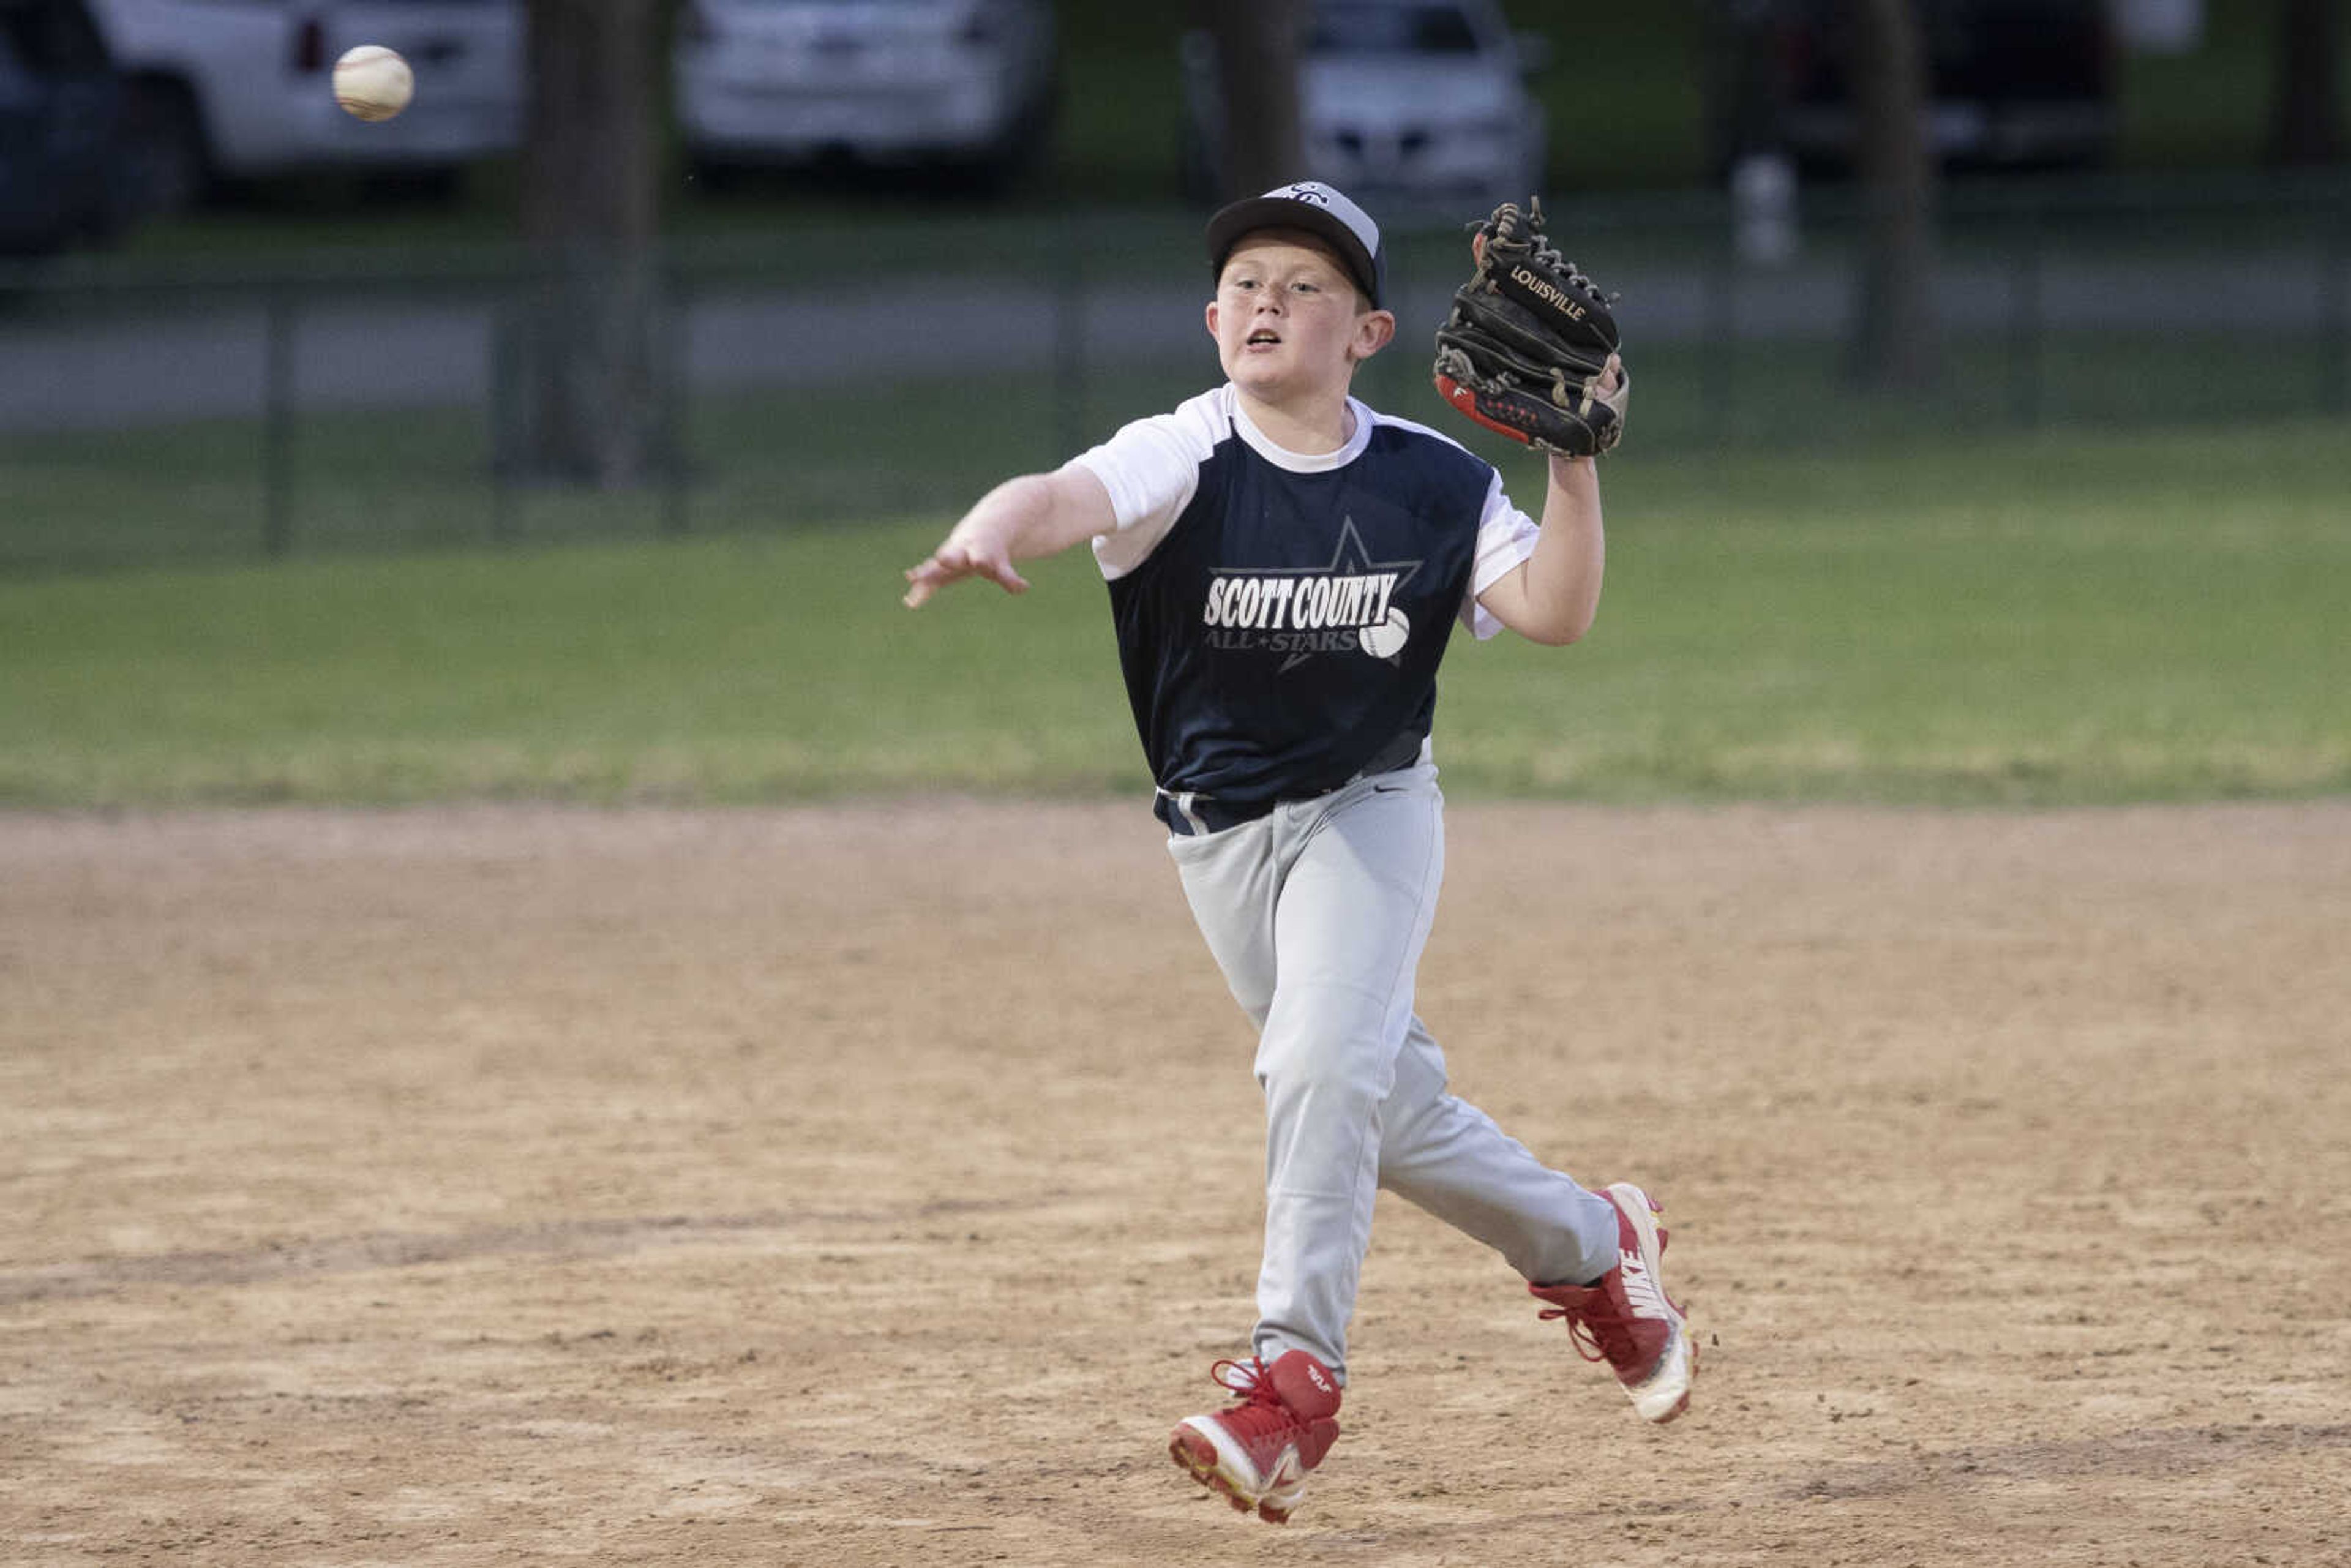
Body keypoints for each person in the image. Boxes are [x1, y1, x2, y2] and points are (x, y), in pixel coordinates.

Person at [901, 181, 1692, 1525]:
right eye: (1248, 283)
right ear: (1213, 319)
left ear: (1370, 331)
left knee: (1318, 1066)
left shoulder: (1432, 481)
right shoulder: (1184, 453)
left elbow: (1553, 613)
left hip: (1368, 809)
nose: (1269, 301)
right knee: (1386, 1113)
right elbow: (1060, 492)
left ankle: (1290, 1389)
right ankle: (1595, 1244)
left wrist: (1576, 462)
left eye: (1306, 286)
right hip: (1217, 841)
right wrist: (992, 525)